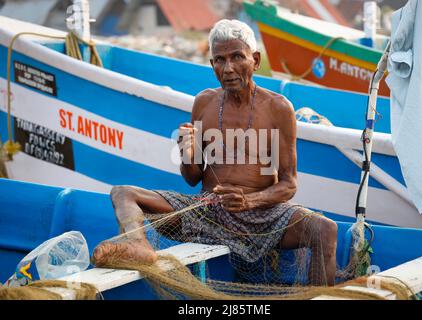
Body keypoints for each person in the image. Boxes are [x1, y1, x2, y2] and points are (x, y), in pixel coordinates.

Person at [92, 19, 337, 286]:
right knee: (123, 193)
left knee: (325, 229)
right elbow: (192, 177)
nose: (228, 67)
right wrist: (187, 152)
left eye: (237, 57)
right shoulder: (204, 102)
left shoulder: (278, 108)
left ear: (255, 60)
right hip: (207, 212)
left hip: (263, 215)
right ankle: (138, 245)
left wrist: (249, 201)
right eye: (219, 60)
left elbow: (289, 185)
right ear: (212, 65)